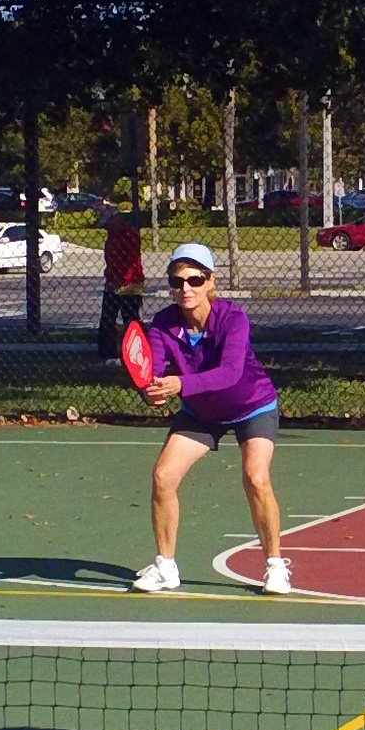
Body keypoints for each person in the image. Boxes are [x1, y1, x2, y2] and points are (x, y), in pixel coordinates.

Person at [130, 243, 292, 596]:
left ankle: (275, 566)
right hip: (201, 413)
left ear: (210, 281)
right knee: (163, 475)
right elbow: (154, 372)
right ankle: (166, 567)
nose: (185, 288)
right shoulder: (163, 323)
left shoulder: (234, 319)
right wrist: (152, 391)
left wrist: (180, 384)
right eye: (177, 281)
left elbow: (231, 373)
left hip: (253, 405)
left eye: (195, 279)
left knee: (256, 477)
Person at [96, 204, 145, 360]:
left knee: (130, 320)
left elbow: (130, 261)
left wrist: (122, 280)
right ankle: (107, 353)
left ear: (116, 219)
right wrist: (111, 278)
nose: (107, 227)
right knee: (107, 319)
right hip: (113, 282)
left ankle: (135, 354)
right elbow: (111, 260)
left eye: (109, 223)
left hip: (130, 284)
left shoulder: (130, 234)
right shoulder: (113, 235)